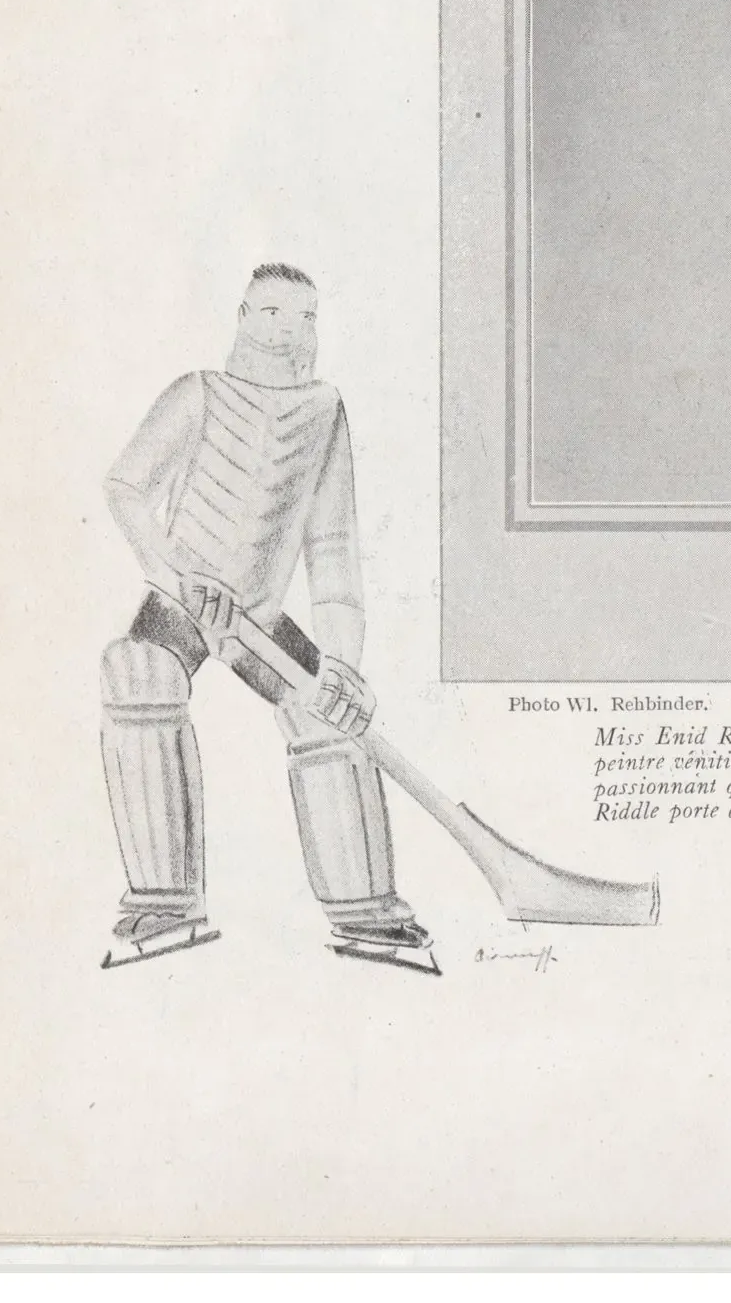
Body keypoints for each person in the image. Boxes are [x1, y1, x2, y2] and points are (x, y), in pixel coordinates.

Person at [98, 262, 434, 970]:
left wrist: (341, 658)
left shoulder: (325, 412)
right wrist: (178, 574)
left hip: (263, 614)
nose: (290, 331)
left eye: (306, 316)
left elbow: (334, 547)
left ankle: (368, 913)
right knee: (138, 671)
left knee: (330, 707)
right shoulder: (197, 394)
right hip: (180, 603)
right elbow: (127, 486)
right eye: (275, 312)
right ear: (244, 314)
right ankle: (164, 900)